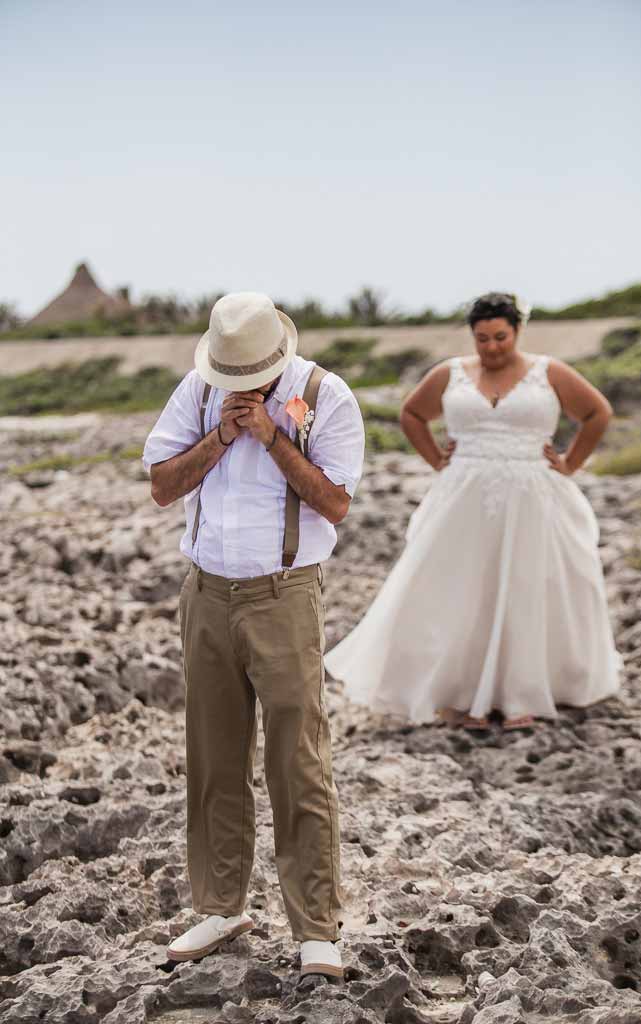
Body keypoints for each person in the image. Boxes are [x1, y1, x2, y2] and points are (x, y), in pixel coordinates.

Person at [142, 292, 365, 978]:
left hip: (284, 594)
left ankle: (316, 927)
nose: (238, 390)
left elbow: (335, 502)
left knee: (298, 761)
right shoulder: (197, 389)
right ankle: (220, 904)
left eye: (251, 380)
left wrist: (271, 438)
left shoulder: (326, 396)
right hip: (205, 592)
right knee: (213, 757)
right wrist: (220, 436)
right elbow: (160, 485)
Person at [324, 291, 622, 732]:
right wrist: (435, 459)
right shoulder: (451, 374)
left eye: (500, 336)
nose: (492, 347)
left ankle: (521, 693)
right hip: (463, 496)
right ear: (472, 336)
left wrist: (570, 463)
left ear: (517, 331)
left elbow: (598, 412)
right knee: (458, 589)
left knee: (527, 585)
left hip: (533, 495)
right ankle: (458, 695)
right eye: (482, 338)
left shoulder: (549, 372)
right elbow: (411, 414)